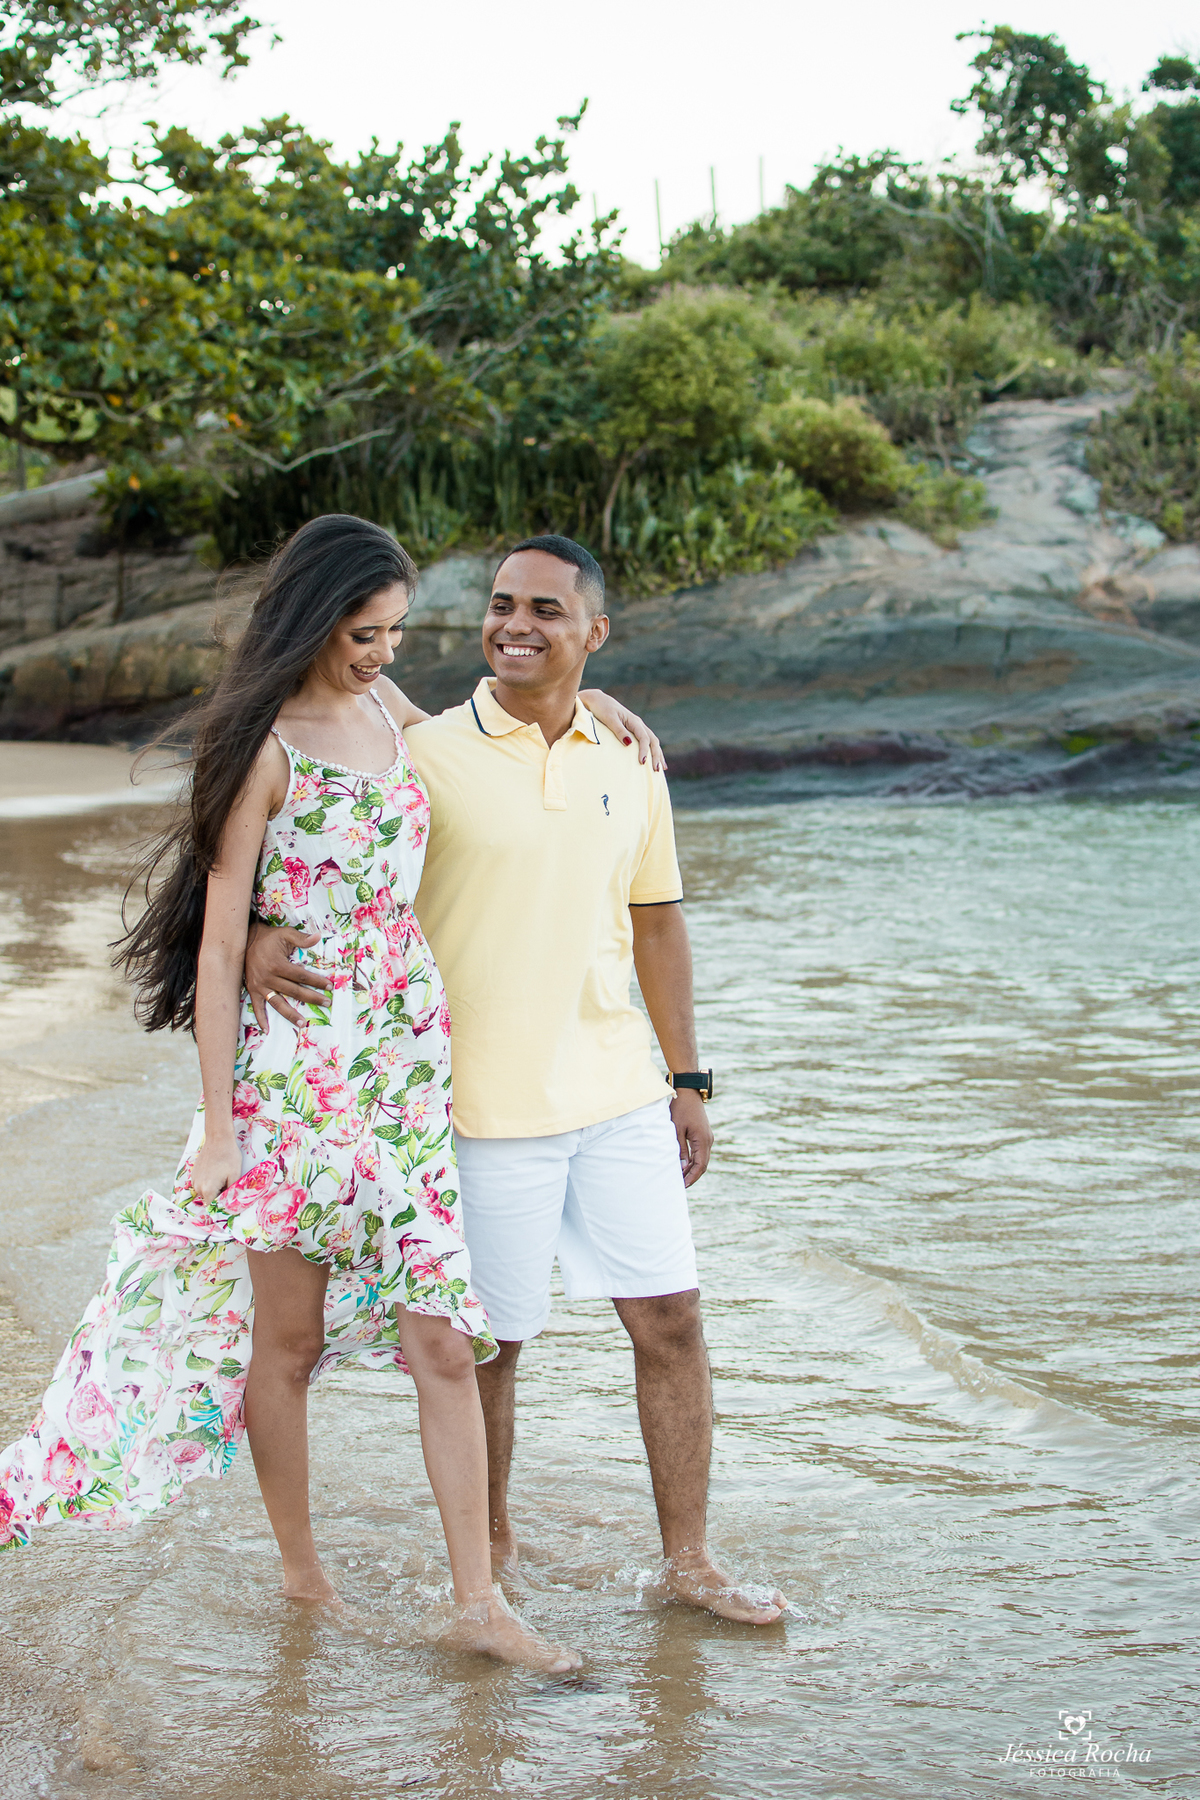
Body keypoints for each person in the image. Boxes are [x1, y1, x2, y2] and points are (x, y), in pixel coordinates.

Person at [0, 516, 655, 1669]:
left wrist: (593, 706)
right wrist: (219, 1131)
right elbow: (212, 951)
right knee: (287, 1347)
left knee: (448, 1339)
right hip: (293, 1077)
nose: (386, 654)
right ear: (315, 619)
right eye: (367, 632)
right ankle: (303, 1576)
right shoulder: (260, 747)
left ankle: (477, 1602)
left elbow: (488, 731)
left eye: (398, 632)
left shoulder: (394, 717)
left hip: (403, 1067)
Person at [248, 533, 787, 1627]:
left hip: (619, 1089)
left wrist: (688, 1078)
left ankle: (688, 1561)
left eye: (546, 609)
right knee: (493, 1344)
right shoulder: (427, 749)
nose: (516, 625)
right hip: (475, 1106)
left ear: (596, 632)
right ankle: (486, 1554)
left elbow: (657, 919)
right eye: (501, 605)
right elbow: (322, 840)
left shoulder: (628, 760)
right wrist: (261, 934)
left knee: (673, 1321)